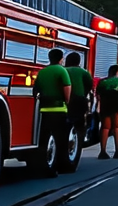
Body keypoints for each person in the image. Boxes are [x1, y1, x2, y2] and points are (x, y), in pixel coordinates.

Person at [32, 48, 71, 177]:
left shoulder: (42, 72)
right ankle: (57, 167)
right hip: (59, 110)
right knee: (60, 140)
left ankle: (43, 167)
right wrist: (67, 102)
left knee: (44, 140)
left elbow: (35, 90)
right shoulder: (62, 70)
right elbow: (67, 88)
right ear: (61, 59)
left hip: (44, 110)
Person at [96, 64, 118, 159]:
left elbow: (98, 95)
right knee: (116, 127)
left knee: (105, 128)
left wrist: (98, 107)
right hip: (116, 106)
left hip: (105, 105)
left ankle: (102, 151)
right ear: (117, 72)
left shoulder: (102, 82)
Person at [64, 53, 94, 149]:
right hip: (79, 100)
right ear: (79, 61)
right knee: (80, 124)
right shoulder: (84, 72)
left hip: (64, 100)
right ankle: (78, 142)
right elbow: (89, 86)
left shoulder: (63, 70)